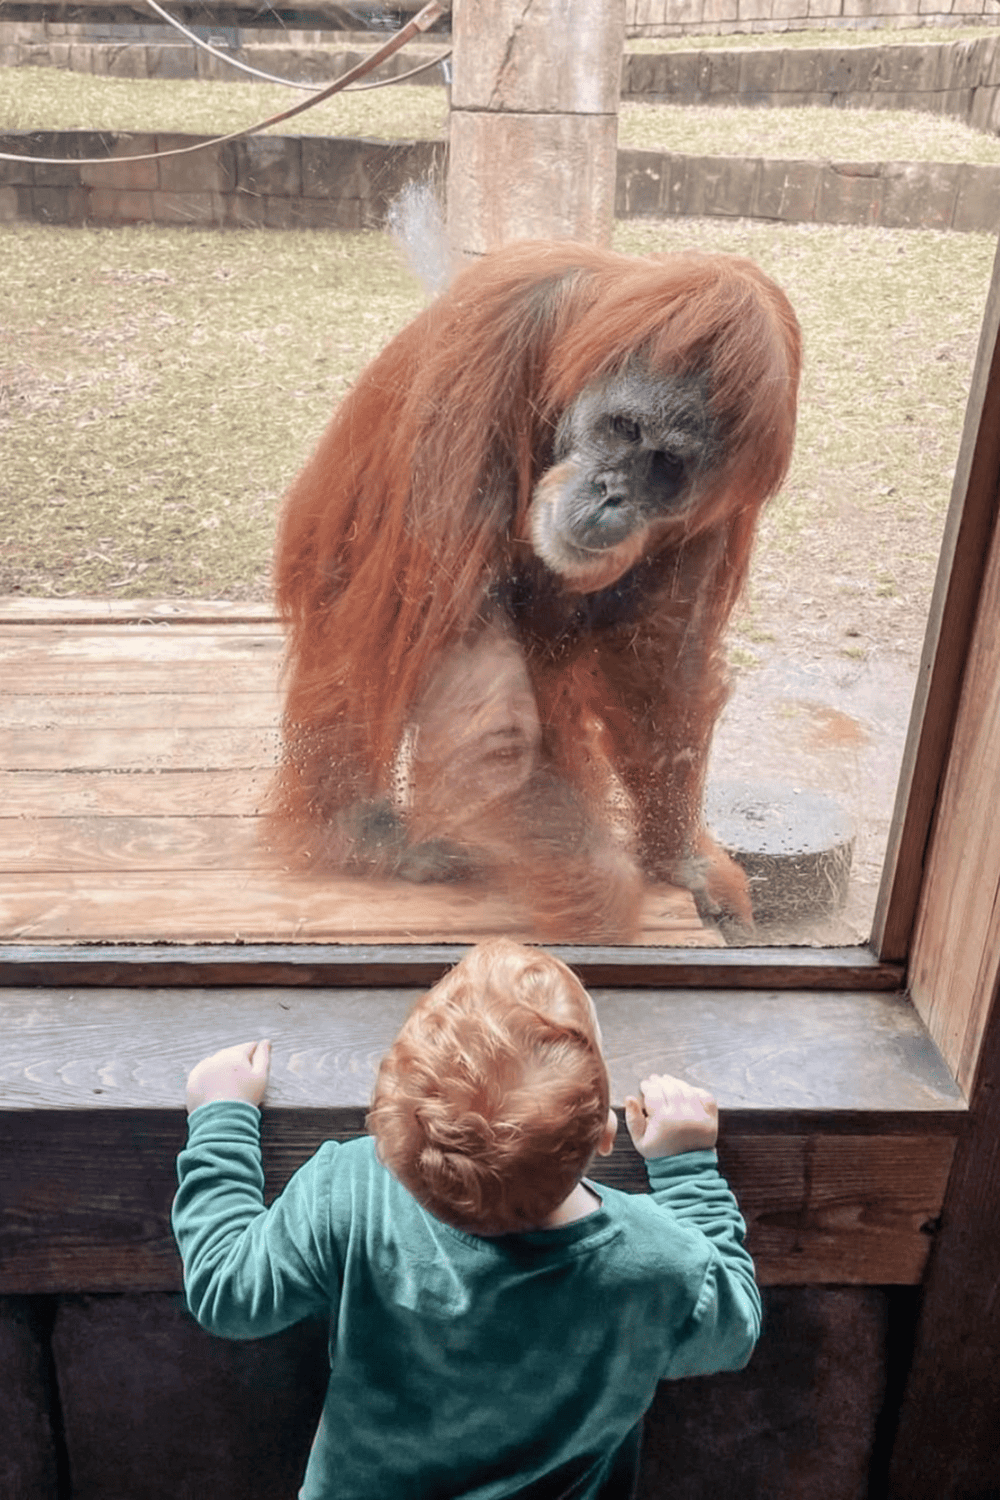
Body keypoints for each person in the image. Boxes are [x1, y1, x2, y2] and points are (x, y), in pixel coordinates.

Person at [173, 939, 761, 1500]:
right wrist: (687, 1169)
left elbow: (228, 1292)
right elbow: (733, 1333)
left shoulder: (353, 1189)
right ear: (606, 1133)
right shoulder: (655, 1262)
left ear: (393, 1127)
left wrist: (222, 1118)